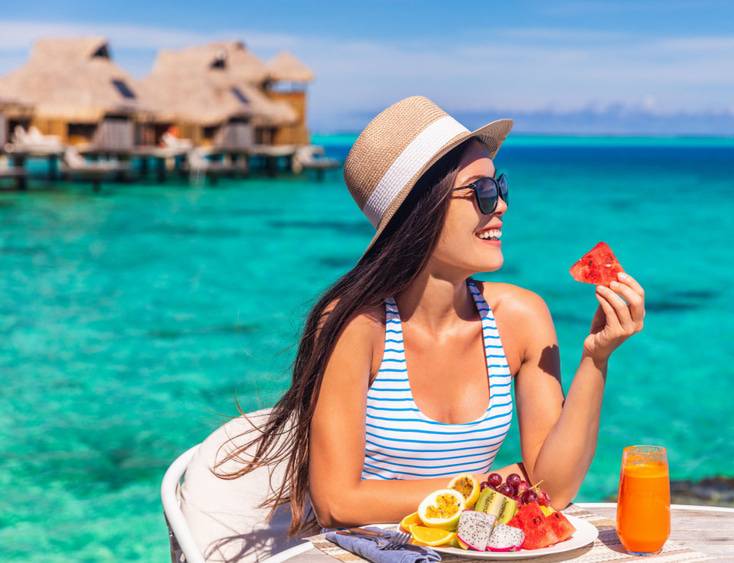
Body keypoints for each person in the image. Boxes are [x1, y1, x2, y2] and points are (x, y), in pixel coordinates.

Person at [224, 96, 645, 535]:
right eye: (481, 193)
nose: (500, 206)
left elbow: (554, 491)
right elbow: (337, 504)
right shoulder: (356, 325)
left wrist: (596, 358)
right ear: (421, 211)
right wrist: (494, 486)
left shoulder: (521, 317)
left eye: (499, 188)